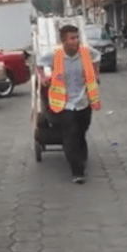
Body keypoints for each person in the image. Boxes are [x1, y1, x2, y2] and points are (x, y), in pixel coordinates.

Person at [40, 24, 102, 184]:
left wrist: (96, 74)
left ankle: (81, 158)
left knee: (81, 133)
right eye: (72, 38)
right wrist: (43, 78)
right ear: (63, 41)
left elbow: (98, 57)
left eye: (77, 37)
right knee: (70, 137)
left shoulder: (86, 53)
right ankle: (77, 171)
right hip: (64, 105)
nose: (76, 41)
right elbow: (39, 64)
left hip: (83, 103)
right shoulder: (55, 55)